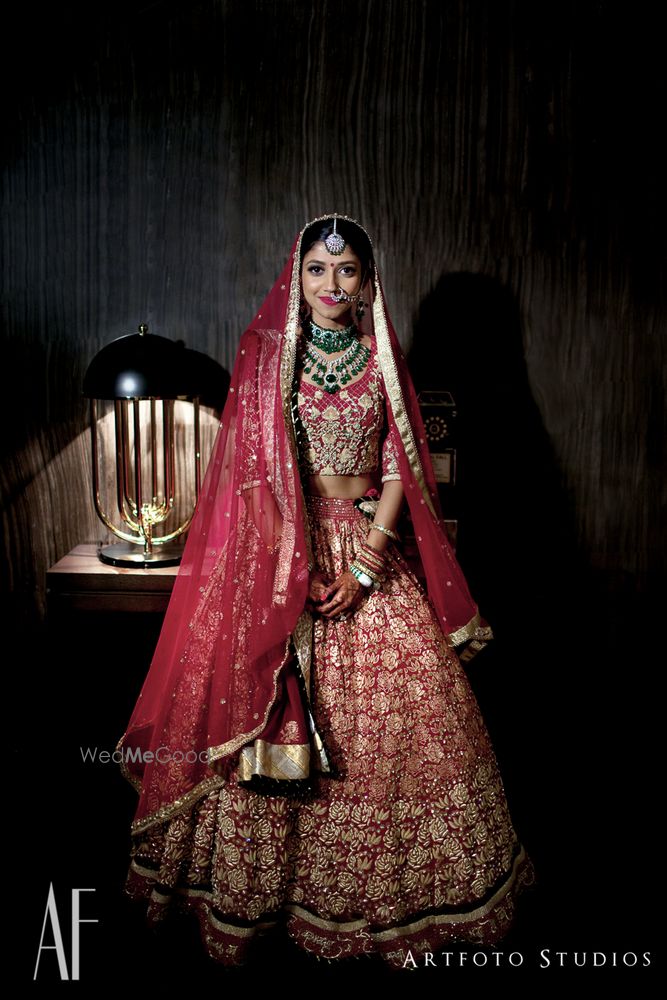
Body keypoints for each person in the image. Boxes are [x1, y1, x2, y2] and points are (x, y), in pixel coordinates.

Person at [117, 213, 534, 968]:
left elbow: (403, 468)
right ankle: (256, 897)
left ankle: (387, 898)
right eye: (316, 269)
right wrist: (293, 564)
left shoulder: (381, 362)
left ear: (368, 281)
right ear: (297, 276)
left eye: (346, 271)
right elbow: (251, 475)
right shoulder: (269, 361)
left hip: (366, 550)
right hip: (282, 557)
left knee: (409, 731)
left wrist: (370, 561)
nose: (331, 284)